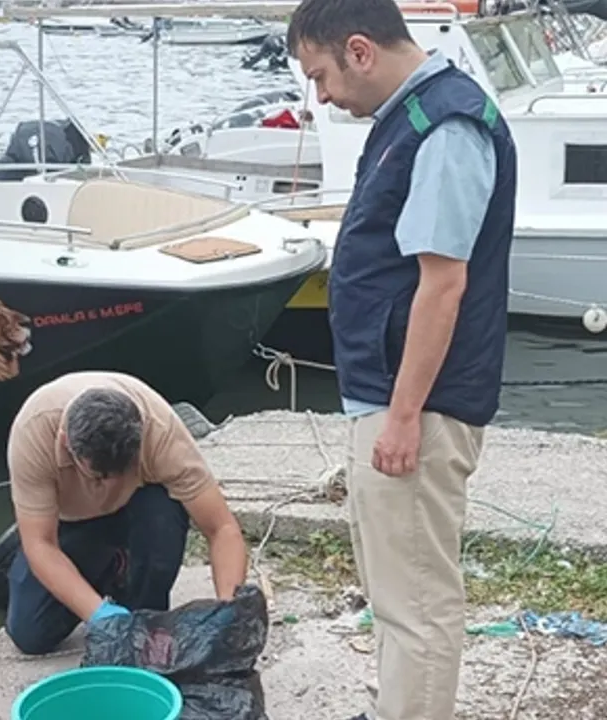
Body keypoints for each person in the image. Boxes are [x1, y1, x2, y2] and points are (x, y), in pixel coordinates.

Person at [286, 0, 516, 718]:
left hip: (417, 403)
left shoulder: (445, 126)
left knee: (416, 598)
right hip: (387, 394)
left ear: (359, 51)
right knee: (393, 588)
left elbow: (443, 283)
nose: (320, 97)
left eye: (320, 76)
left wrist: (404, 416)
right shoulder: (409, 117)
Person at [3, 370, 248, 656]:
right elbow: (40, 543)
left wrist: (228, 609)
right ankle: (111, 571)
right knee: (31, 634)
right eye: (99, 477)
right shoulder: (33, 433)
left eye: (121, 474)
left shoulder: (161, 432)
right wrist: (98, 613)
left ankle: (142, 599)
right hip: (72, 523)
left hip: (139, 512)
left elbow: (221, 528)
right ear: (67, 443)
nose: (110, 487)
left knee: (162, 511)